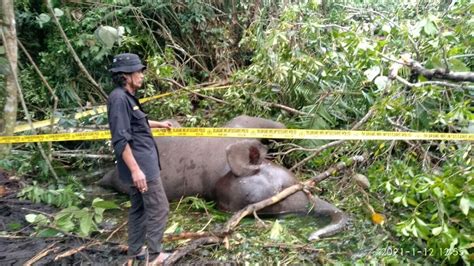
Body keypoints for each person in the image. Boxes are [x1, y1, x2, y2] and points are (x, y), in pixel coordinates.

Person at [107, 53, 172, 265]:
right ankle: (154, 254)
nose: (142, 75)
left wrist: (160, 124)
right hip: (141, 167)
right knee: (159, 207)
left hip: (143, 164)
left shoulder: (126, 98)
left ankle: (134, 252)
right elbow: (120, 139)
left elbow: (137, 124)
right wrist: (136, 170)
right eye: (138, 72)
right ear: (125, 76)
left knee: (139, 208)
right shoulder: (118, 99)